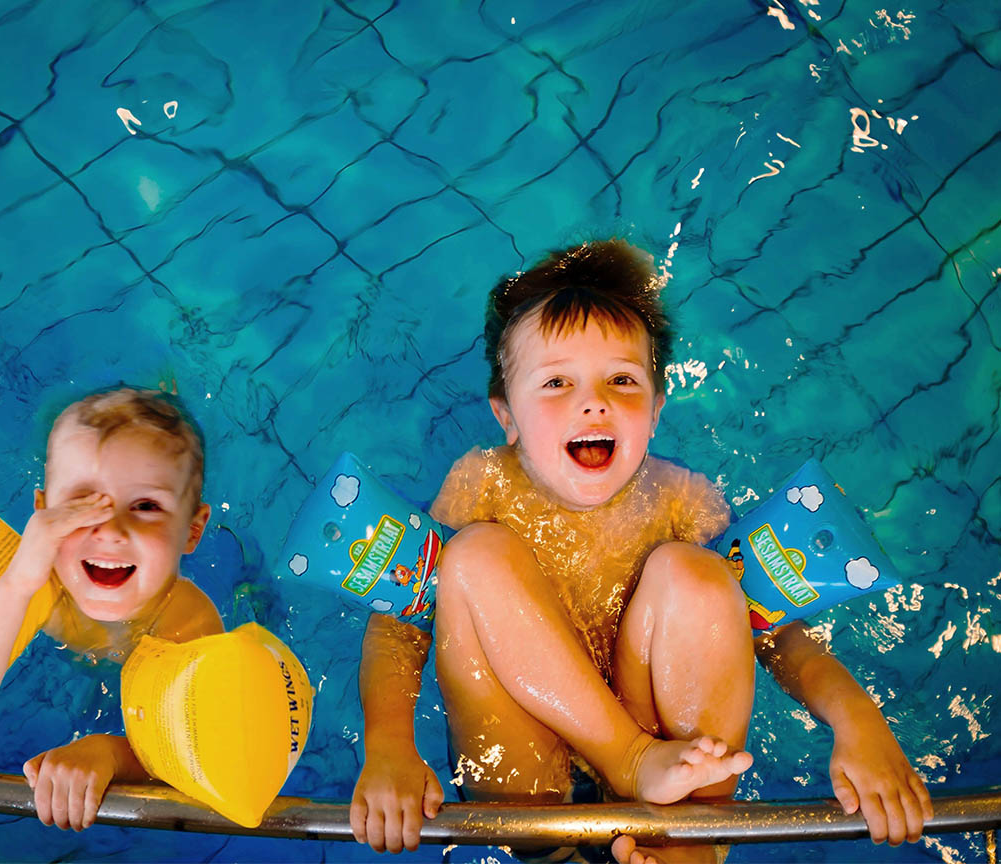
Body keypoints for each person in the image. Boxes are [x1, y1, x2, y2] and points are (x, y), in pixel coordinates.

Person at [350, 240, 932, 863]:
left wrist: (857, 721)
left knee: (704, 576)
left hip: (668, 771)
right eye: (555, 382)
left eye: (622, 380)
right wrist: (389, 747)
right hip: (529, 775)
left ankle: (688, 845)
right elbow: (400, 623)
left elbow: (773, 630)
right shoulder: (482, 482)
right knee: (472, 556)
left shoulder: (684, 498)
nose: (592, 401)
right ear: (507, 415)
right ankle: (618, 778)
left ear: (655, 410)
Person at [0, 387, 222, 831]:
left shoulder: (187, 621)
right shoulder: (37, 583)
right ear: (42, 512)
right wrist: (18, 583)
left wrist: (111, 754)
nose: (112, 530)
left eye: (146, 506)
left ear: (192, 531)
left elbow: (193, 751)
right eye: (83, 502)